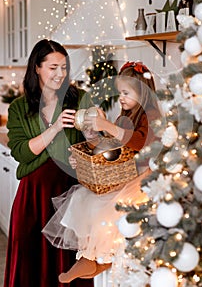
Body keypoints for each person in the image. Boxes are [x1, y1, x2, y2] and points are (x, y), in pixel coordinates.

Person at [42, 61, 161, 283]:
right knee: (81, 197)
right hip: (123, 172)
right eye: (120, 93)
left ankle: (99, 258)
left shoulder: (150, 115)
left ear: (143, 93)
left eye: (126, 93)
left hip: (143, 177)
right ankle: (90, 257)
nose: (121, 98)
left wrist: (106, 125)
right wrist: (92, 141)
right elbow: (113, 147)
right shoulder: (126, 114)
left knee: (104, 208)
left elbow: (138, 142)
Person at [3, 39, 94, 287]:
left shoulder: (80, 99)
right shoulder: (20, 108)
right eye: (53, 67)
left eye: (63, 67)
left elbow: (96, 142)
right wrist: (54, 129)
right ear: (37, 68)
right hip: (32, 197)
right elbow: (22, 153)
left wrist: (83, 153)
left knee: (67, 264)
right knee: (30, 260)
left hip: (71, 196)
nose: (60, 73)